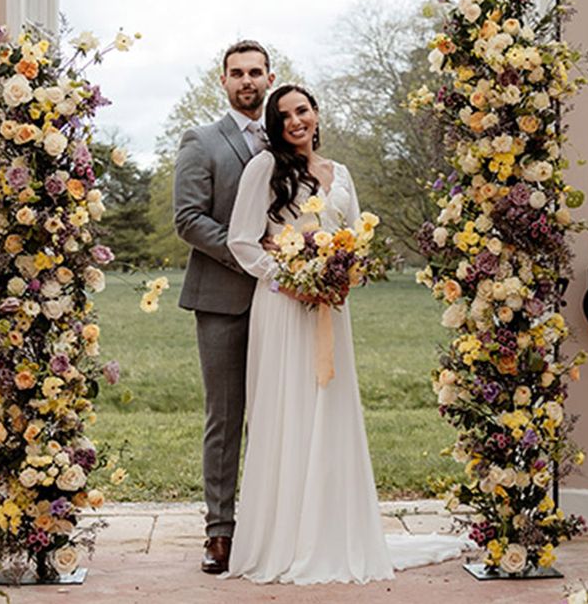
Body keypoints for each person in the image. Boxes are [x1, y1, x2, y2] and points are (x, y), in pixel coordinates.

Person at [226, 84, 471, 584]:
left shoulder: (342, 173)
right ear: (274, 124)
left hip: (330, 309)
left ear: (316, 114)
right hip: (283, 308)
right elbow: (241, 241)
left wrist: (341, 275)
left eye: (303, 110)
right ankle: (285, 537)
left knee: (329, 409)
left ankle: (335, 529)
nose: (296, 120)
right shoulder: (264, 169)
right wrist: (289, 279)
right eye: (285, 114)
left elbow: (356, 236)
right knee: (288, 410)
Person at [173, 40, 274, 574]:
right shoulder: (202, 141)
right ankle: (220, 532)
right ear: (224, 81)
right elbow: (188, 219)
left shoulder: (283, 138)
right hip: (221, 299)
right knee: (226, 416)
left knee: (276, 415)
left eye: (255, 72)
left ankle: (268, 524)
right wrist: (249, 257)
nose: (247, 81)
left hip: (283, 302)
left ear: (270, 76)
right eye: (237, 73)